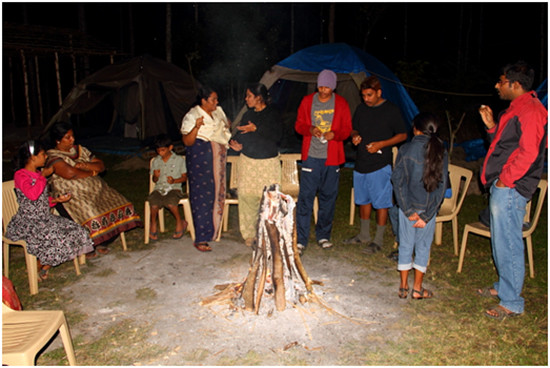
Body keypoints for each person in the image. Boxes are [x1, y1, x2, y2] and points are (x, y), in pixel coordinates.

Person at [477, 61, 547, 320]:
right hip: (503, 183)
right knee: (501, 239)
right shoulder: (517, 108)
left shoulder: (531, 110)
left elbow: (530, 151)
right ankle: (503, 287)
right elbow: (506, 145)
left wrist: (506, 180)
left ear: (515, 84)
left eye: (501, 81)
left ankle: (512, 302)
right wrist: (492, 126)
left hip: (512, 186)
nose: (497, 85)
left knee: (509, 242)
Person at [45, 122, 142, 257]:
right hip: (72, 194)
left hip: (97, 189)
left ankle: (103, 241)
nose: (72, 140)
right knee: (92, 213)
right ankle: (89, 244)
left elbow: (101, 166)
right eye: (68, 137)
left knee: (120, 203)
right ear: (57, 140)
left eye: (72, 136)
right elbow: (70, 173)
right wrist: (91, 172)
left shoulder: (80, 150)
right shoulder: (53, 156)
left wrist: (85, 165)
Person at [5, 140, 95, 280]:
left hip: (45, 218)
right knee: (55, 238)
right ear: (33, 157)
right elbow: (32, 195)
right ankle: (38, 265)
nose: (46, 157)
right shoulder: (21, 175)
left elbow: (41, 199)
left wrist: (56, 200)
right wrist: (43, 176)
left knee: (78, 231)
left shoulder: (37, 173)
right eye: (42, 154)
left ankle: (43, 265)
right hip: (28, 222)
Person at [344, 76, 407, 253]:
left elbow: (402, 135)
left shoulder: (391, 110)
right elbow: (353, 128)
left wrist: (381, 144)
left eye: (369, 95)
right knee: (363, 200)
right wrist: (355, 135)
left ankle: (378, 240)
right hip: (361, 162)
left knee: (381, 203)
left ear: (379, 92)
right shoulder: (361, 109)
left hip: (380, 164)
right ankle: (364, 235)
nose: (366, 99)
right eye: (363, 95)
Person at [391, 112, 448, 300]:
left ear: (415, 129)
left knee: (405, 245)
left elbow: (397, 180)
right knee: (423, 247)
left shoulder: (405, 149)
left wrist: (407, 209)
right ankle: (417, 289)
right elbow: (441, 187)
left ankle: (403, 287)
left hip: (408, 207)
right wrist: (427, 215)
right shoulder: (441, 150)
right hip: (427, 210)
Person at [294, 69, 352, 251]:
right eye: (320, 86)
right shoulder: (307, 101)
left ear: (333, 87)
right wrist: (311, 130)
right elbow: (299, 125)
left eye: (327, 87)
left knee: (328, 198)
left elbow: (347, 129)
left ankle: (323, 235)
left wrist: (335, 134)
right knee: (305, 198)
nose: (323, 90)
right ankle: (301, 238)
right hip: (311, 157)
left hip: (332, 159)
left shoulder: (341, 104)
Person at [229, 83, 283, 247]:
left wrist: (257, 128)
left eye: (249, 96)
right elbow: (242, 135)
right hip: (248, 161)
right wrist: (238, 144)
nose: (246, 99)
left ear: (259, 97)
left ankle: (270, 232)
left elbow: (277, 135)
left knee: (270, 198)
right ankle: (250, 235)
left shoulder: (273, 114)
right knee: (247, 196)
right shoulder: (247, 115)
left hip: (268, 162)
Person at [181, 86, 231, 252]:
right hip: (200, 157)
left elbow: (226, 125)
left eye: (217, 99)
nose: (217, 102)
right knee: (201, 195)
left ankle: (213, 232)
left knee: (217, 193)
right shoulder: (192, 115)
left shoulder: (218, 112)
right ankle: (201, 238)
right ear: (203, 101)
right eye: (213, 100)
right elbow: (187, 142)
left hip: (217, 156)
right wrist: (196, 127)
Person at [147, 135, 188, 241]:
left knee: (170, 202)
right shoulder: (156, 161)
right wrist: (155, 176)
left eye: (163, 150)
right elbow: (154, 181)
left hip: (174, 188)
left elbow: (184, 178)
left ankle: (180, 222)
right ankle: (153, 224)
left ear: (170, 148)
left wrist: (174, 181)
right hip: (159, 189)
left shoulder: (179, 160)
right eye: (158, 150)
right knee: (154, 203)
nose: (160, 153)